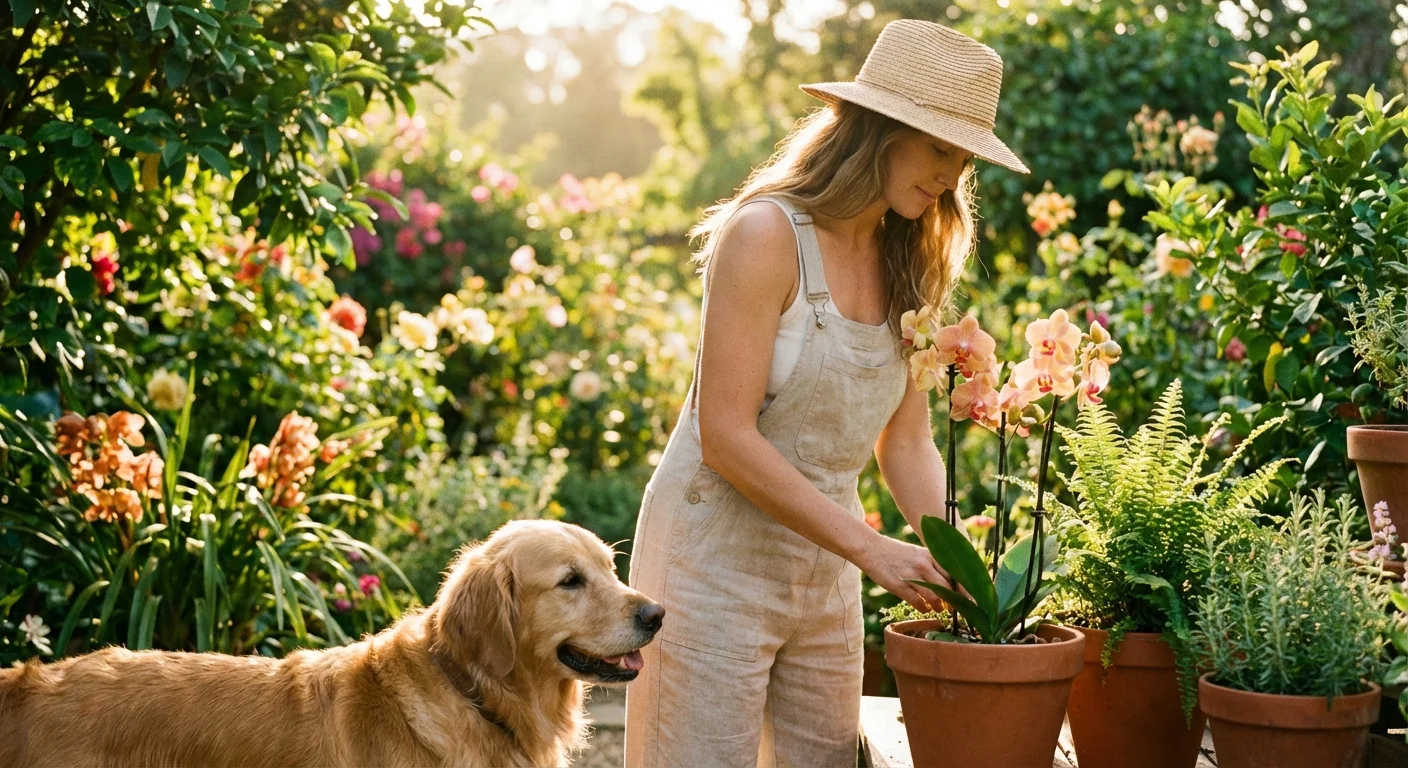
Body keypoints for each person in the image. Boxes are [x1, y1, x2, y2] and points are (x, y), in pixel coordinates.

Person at [625, 19, 1030, 768]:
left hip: (824, 570)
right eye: (939, 145)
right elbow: (725, 434)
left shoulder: (912, 261)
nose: (952, 172)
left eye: (964, 155)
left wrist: (961, 563)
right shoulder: (766, 234)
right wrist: (874, 549)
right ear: (878, 129)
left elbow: (904, 442)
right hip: (712, 562)